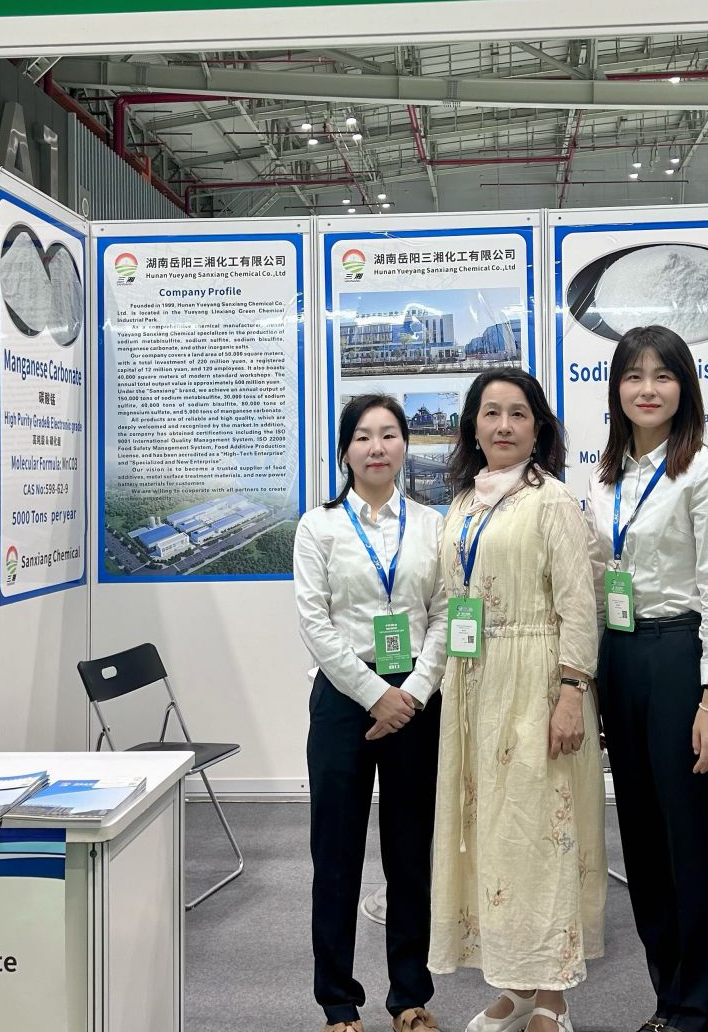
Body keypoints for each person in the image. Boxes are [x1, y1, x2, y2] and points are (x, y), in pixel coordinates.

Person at [427, 368, 606, 1032]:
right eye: (491, 413)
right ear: (472, 425)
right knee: (494, 835)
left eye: (518, 414)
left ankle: (553, 996)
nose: (503, 426)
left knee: (541, 834)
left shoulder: (551, 500)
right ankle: (517, 983)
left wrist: (571, 692)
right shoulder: (463, 503)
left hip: (537, 681)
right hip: (475, 683)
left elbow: (578, 605)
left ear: (538, 428)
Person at [584, 325, 708, 1032]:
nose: (647, 389)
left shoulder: (703, 471)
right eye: (633, 376)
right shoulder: (605, 475)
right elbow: (597, 579)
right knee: (642, 839)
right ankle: (665, 998)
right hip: (619, 657)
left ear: (685, 387)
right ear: (616, 388)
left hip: (680, 654)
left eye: (663, 376)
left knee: (688, 838)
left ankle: (695, 1009)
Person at [294, 394, 449, 1032]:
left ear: (406, 445)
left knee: (410, 854)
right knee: (336, 854)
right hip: (344, 699)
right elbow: (315, 622)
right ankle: (337, 1002)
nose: (377, 447)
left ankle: (410, 997)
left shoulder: (433, 524)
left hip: (416, 698)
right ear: (345, 450)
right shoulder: (319, 526)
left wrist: (412, 691)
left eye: (388, 434)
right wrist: (373, 694)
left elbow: (446, 613)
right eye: (363, 436)